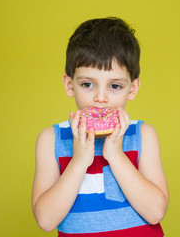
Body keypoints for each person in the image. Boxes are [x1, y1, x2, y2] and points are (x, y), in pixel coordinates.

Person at [32, 17, 169, 236]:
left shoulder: (143, 135)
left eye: (115, 86)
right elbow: (46, 221)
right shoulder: (51, 140)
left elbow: (155, 212)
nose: (100, 98)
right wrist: (78, 162)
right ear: (70, 85)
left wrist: (116, 156)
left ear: (132, 89)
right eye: (87, 84)